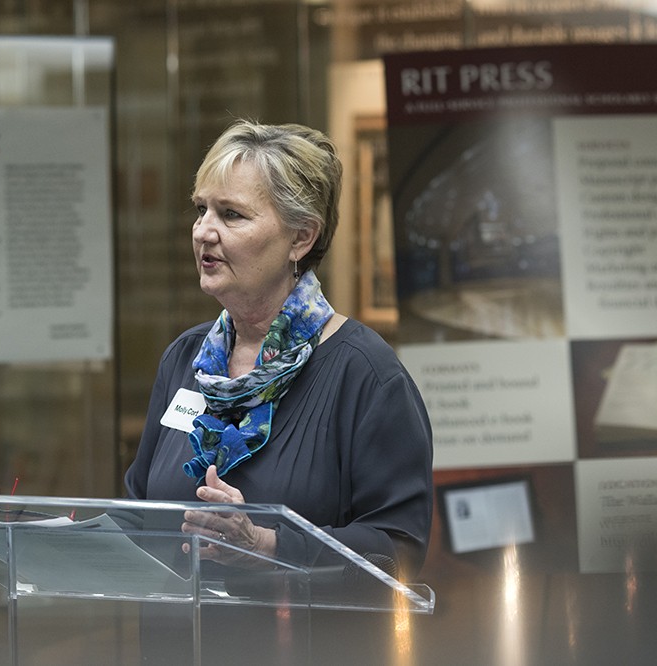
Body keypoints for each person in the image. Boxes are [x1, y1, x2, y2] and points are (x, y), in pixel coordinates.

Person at [124, 119, 433, 664]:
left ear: (302, 237)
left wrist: (267, 547)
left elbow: (397, 553)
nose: (203, 231)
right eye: (201, 209)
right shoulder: (185, 360)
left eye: (232, 214)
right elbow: (139, 506)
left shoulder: (367, 375)